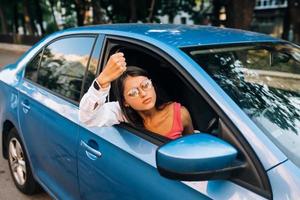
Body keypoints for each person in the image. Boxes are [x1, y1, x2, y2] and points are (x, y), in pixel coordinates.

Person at [79, 52, 194, 139]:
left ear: (152, 85)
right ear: (125, 102)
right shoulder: (123, 114)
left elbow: (193, 149)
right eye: (133, 93)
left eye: (145, 85)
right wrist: (102, 81)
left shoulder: (180, 113)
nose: (143, 94)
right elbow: (87, 118)